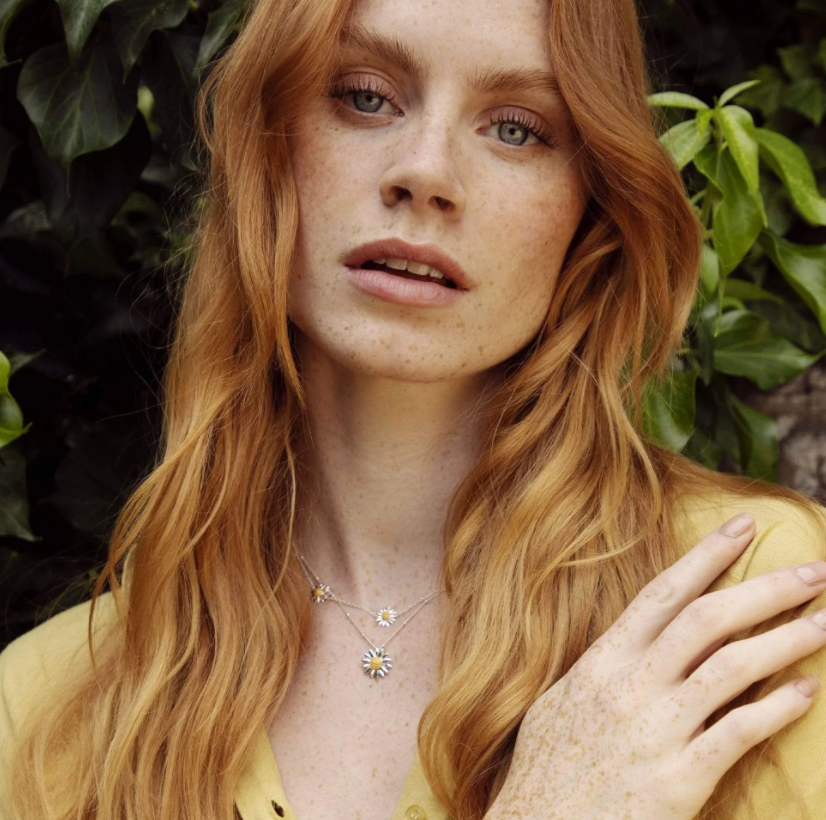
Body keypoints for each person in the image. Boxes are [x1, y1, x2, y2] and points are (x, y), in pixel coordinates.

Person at [2, 0, 826, 818]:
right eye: (365, 96)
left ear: (592, 209)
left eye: (517, 129)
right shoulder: (36, 714)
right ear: (264, 150)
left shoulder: (747, 604)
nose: (426, 172)